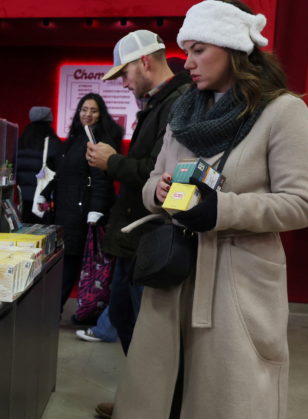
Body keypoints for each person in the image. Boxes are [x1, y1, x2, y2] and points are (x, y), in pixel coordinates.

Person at [45, 0, 308, 419]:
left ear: (234, 49)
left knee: (217, 403)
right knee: (144, 395)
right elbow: (151, 184)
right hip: (171, 271)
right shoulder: (185, 112)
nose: (187, 61)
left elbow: (301, 204)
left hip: (237, 282)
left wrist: (220, 210)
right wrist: (163, 192)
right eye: (186, 50)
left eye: (198, 50)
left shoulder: (283, 113)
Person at [78, 30, 192, 348]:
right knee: (125, 317)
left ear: (143, 62)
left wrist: (112, 162)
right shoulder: (159, 103)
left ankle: (148, 398)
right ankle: (137, 396)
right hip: (135, 237)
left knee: (146, 330)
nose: (124, 84)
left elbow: (158, 174)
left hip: (153, 236)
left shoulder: (177, 104)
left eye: (125, 74)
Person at [44, 93, 122, 314]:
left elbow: (101, 178)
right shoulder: (76, 137)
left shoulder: (100, 140)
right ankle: (54, 308)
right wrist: (47, 193)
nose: (88, 114)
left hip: (83, 213)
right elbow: (61, 173)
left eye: (93, 110)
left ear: (101, 114)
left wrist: (96, 209)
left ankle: (55, 309)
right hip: (66, 210)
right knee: (65, 261)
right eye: (84, 109)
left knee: (71, 263)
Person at [15, 106, 61, 224]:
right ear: (49, 121)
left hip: (21, 198)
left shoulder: (21, 140)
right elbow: (59, 169)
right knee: (43, 233)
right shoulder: (52, 141)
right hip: (42, 198)